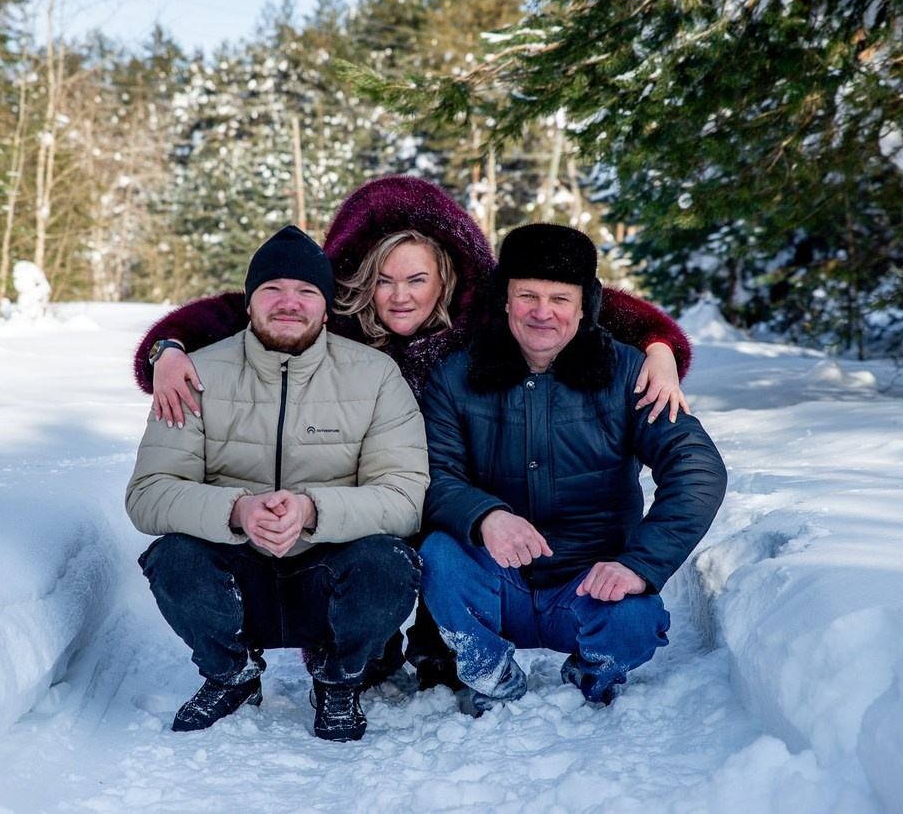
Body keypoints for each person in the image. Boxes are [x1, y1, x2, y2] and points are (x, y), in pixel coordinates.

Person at [132, 176, 695, 690]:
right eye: (384, 280)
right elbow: (247, 308)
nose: (400, 296)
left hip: (462, 487)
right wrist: (168, 348)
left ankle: (438, 644)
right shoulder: (333, 316)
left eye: (417, 279)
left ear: (445, 278)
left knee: (435, 533)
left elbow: (579, 299)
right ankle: (360, 643)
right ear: (357, 282)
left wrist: (660, 346)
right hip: (373, 491)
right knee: (401, 535)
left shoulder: (485, 313)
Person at [125, 225, 428, 742]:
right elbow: (148, 493)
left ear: (327, 307)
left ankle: (339, 680)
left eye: (307, 291)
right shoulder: (195, 375)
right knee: (172, 556)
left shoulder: (375, 376)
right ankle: (231, 674)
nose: (289, 303)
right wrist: (237, 510)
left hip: (327, 572)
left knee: (389, 562)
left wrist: (313, 510)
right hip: (237, 572)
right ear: (248, 303)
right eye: (272, 290)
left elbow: (405, 497)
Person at [418, 223, 727, 715]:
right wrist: (485, 516)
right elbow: (433, 472)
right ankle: (489, 673)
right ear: (504, 299)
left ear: (586, 305)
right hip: (498, 583)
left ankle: (591, 669)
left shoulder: (629, 373)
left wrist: (638, 565)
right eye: (528, 296)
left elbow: (697, 470)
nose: (543, 313)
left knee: (633, 621)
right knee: (439, 555)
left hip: (590, 583)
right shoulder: (455, 377)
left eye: (560, 298)